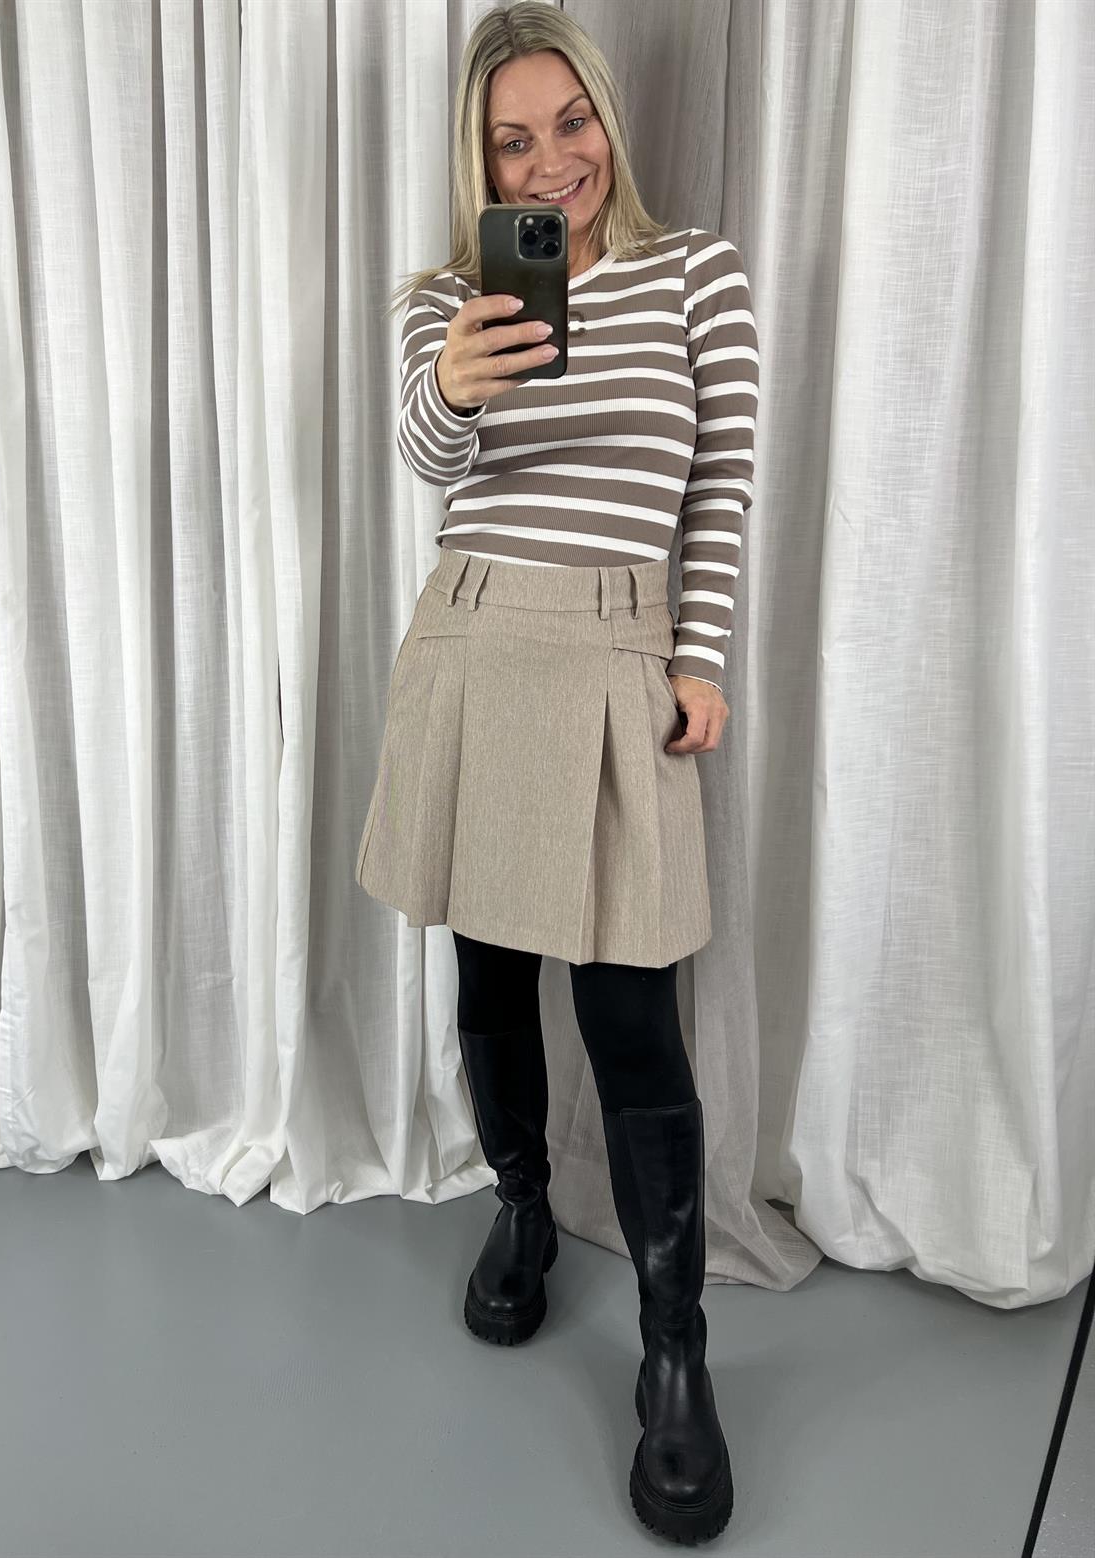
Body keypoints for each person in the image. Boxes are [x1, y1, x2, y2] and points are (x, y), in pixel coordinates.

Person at [357, 3, 757, 1543]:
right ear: (481, 159)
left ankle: (675, 1350)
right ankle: (521, 1206)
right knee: (490, 973)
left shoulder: (695, 274)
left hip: (616, 656)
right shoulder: (443, 300)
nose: (552, 162)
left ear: (607, 115)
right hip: (473, 640)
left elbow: (719, 485)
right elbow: (429, 462)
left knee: (633, 1012)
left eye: (570, 122)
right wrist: (457, 383)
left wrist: (700, 658)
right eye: (513, 140)